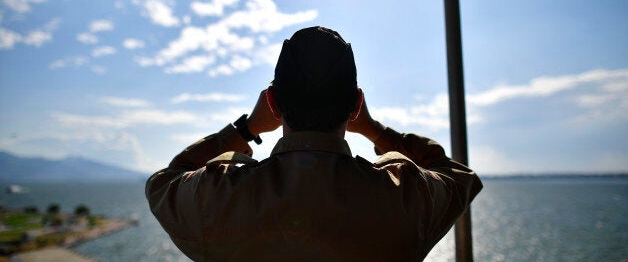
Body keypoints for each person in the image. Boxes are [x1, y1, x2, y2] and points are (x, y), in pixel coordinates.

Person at [146, 26, 483, 261]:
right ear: (355, 106)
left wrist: (245, 129)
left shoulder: (217, 196)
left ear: (273, 103)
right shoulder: (408, 196)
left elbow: (165, 180)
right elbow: (458, 175)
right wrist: (375, 130)